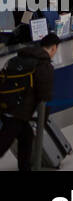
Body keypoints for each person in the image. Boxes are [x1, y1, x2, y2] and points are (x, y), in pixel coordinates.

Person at [0, 33, 58, 171]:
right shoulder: (44, 65)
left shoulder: (18, 58)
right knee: (3, 143)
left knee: (26, 136)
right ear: (54, 48)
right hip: (18, 112)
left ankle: (25, 168)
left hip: (6, 105)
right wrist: (41, 122)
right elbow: (45, 97)